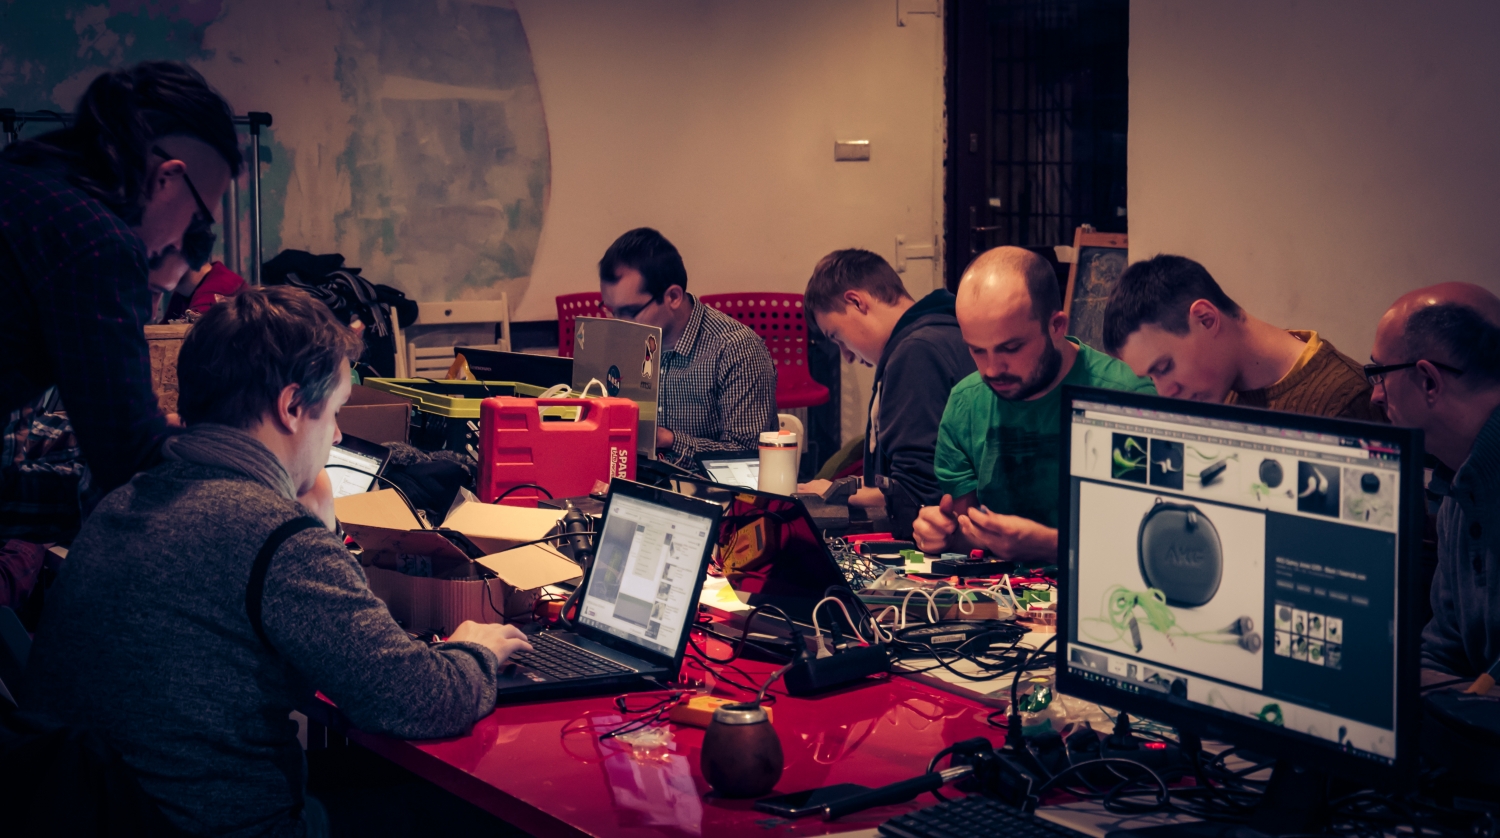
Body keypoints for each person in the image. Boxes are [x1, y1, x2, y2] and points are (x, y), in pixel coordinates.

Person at [20, 286, 532, 836]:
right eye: (334, 413)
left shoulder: (124, 500)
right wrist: (475, 650)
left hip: (94, 811)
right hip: (215, 826)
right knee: (470, 814)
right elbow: (416, 697)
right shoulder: (272, 534)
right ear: (291, 408)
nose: (337, 434)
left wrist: (321, 530)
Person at [0, 61, 241, 494]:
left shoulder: (21, 180)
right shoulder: (96, 241)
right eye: (197, 216)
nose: (179, 242)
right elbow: (129, 460)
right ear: (167, 178)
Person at [913, 247, 1154, 558]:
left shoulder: (1128, 398)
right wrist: (943, 536)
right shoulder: (965, 404)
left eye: (1011, 348)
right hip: (997, 586)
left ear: (1056, 326)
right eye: (977, 350)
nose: (992, 369)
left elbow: (1148, 543)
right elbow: (971, 537)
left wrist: (1049, 545)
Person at [1368, 283, 1500, 680]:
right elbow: (1444, 651)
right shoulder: (1456, 481)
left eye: (1379, 375)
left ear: (1428, 381)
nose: (1375, 396)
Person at [799, 249, 974, 538]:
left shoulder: (916, 353)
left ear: (856, 302)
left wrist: (835, 491)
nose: (847, 356)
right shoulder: (941, 331)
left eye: (837, 336)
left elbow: (915, 493)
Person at [1102, 254, 1384, 421]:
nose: (1166, 392)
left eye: (1164, 368)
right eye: (1152, 378)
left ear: (1206, 319)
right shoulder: (1213, 391)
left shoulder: (1348, 402)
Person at [597, 228, 777, 464]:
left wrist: (668, 440)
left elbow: (747, 456)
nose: (620, 324)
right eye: (612, 310)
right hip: (637, 477)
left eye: (630, 311)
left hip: (707, 486)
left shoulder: (735, 349)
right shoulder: (625, 340)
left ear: (673, 296)